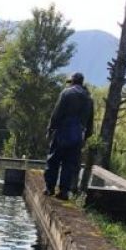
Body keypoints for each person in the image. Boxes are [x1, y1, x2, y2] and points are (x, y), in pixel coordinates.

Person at [44, 72, 94, 200]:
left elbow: (57, 112)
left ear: (72, 81)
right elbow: (90, 121)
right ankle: (64, 191)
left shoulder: (66, 93)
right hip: (78, 135)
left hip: (63, 132)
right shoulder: (89, 98)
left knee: (53, 160)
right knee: (69, 163)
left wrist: (50, 129)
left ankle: (50, 188)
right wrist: (86, 137)